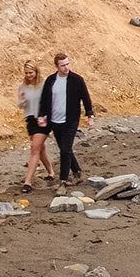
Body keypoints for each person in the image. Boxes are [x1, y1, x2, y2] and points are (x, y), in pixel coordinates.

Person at [37, 52, 95, 184]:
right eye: (63, 65)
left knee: (65, 149)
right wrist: (41, 115)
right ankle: (77, 171)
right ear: (57, 66)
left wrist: (90, 116)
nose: (66, 67)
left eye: (67, 64)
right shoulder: (51, 80)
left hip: (71, 120)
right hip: (55, 121)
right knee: (65, 149)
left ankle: (63, 180)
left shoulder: (77, 80)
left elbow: (86, 99)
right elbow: (44, 100)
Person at [17, 61, 54, 193]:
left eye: (31, 73)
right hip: (30, 119)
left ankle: (28, 182)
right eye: (26, 73)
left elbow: (50, 101)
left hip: (43, 118)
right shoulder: (23, 86)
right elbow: (20, 105)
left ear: (36, 72)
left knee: (34, 148)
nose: (28, 75)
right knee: (40, 148)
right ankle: (51, 172)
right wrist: (22, 102)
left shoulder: (44, 85)